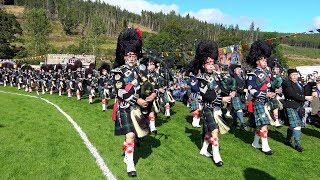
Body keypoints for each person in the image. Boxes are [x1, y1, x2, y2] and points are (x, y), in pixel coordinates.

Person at [111, 28, 155, 177]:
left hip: (138, 109)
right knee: (130, 135)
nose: (131, 58)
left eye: (133, 55)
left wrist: (152, 94)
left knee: (134, 137)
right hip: (124, 108)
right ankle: (130, 164)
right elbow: (120, 92)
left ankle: (127, 154)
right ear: (124, 56)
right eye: (128, 55)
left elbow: (149, 87)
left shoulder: (142, 71)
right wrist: (138, 99)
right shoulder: (118, 72)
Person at [190, 40, 232, 166]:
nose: (211, 66)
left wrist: (227, 82)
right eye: (208, 64)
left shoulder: (216, 76)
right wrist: (222, 99)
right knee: (214, 131)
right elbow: (207, 95)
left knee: (209, 132)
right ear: (203, 65)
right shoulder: (200, 79)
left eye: (212, 63)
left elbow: (222, 89)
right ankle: (216, 156)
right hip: (208, 108)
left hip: (217, 109)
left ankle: (203, 150)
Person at [246, 40, 274, 155]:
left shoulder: (267, 72)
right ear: (257, 61)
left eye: (265, 59)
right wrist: (264, 94)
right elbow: (251, 89)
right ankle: (265, 146)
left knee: (260, 124)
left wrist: (273, 91)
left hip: (265, 102)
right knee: (264, 124)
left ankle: (255, 143)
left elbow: (267, 86)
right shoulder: (252, 74)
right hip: (258, 101)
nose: (265, 61)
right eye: (263, 60)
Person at [283, 69, 313, 152]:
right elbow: (291, 94)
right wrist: (304, 98)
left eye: (296, 74)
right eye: (293, 75)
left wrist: (311, 92)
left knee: (292, 125)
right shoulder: (286, 83)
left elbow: (303, 92)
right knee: (297, 125)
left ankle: (287, 140)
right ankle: (297, 144)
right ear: (289, 75)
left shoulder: (299, 84)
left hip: (298, 106)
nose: (295, 76)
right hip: (290, 105)